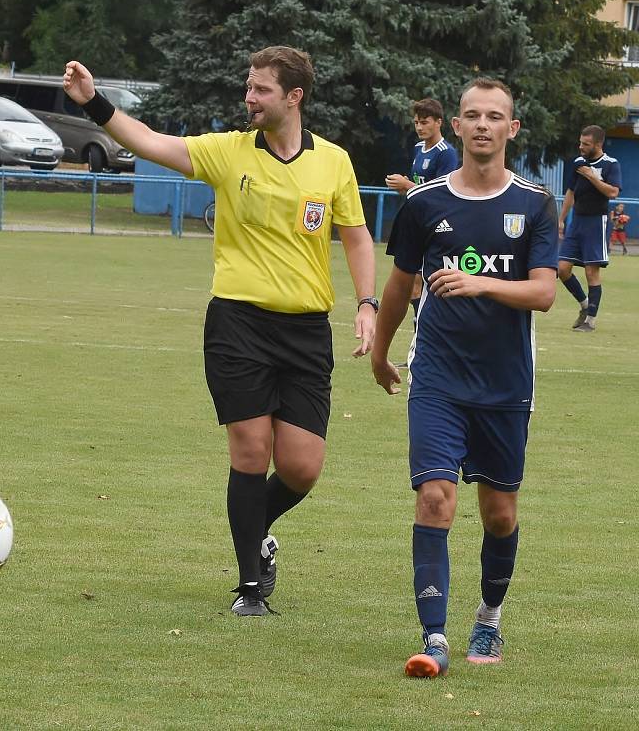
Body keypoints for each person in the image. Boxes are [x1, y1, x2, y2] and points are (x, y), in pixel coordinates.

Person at [63, 46, 377, 617]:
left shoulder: (334, 162)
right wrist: (95, 104)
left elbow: (355, 236)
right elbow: (151, 143)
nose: (248, 97)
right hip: (239, 323)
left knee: (302, 467)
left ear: (293, 97)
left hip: (306, 331)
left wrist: (366, 302)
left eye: (260, 89)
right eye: (249, 87)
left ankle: (258, 530)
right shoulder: (227, 152)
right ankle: (249, 588)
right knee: (252, 451)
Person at [371, 78, 557, 677]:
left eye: (494, 116)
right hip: (438, 378)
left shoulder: (535, 204)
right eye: (472, 115)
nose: (482, 125)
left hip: (506, 384)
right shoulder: (424, 203)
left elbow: (544, 292)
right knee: (435, 497)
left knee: (499, 512)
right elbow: (400, 286)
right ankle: (433, 638)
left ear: (512, 129)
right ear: (456, 126)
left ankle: (489, 617)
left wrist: (479, 283)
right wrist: (381, 350)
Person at [385, 99, 459, 330]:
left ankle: (424, 337)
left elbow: (441, 193)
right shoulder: (418, 148)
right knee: (413, 284)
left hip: (437, 224)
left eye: (424, 122)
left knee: (422, 283)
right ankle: (419, 339)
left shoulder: (446, 153)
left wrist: (407, 185)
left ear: (439, 123)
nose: (419, 127)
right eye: (416, 122)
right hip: (417, 221)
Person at [557, 125, 622, 332]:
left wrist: (591, 176)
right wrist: (561, 219)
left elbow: (612, 193)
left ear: (598, 144)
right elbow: (570, 192)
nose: (581, 147)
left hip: (596, 222)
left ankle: (590, 321)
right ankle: (585, 305)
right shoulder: (578, 163)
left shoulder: (611, 164)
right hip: (577, 222)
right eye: (580, 142)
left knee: (591, 271)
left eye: (586, 144)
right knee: (562, 268)